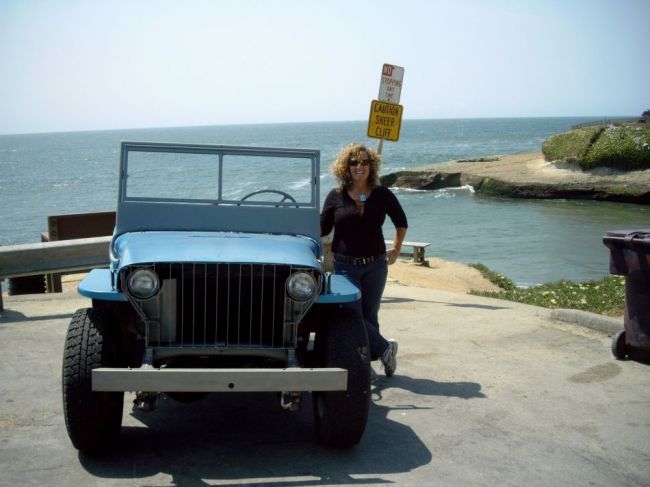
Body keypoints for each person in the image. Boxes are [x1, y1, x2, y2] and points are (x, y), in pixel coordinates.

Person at [320, 143, 408, 377]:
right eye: (354, 162)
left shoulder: (382, 194)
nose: (359, 166)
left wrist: (396, 249)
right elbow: (322, 228)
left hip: (376, 264)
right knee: (353, 316)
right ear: (345, 167)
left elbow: (401, 222)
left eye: (364, 162)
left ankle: (367, 365)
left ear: (372, 166)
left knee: (370, 316)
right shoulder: (335, 196)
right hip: (345, 266)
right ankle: (385, 348)